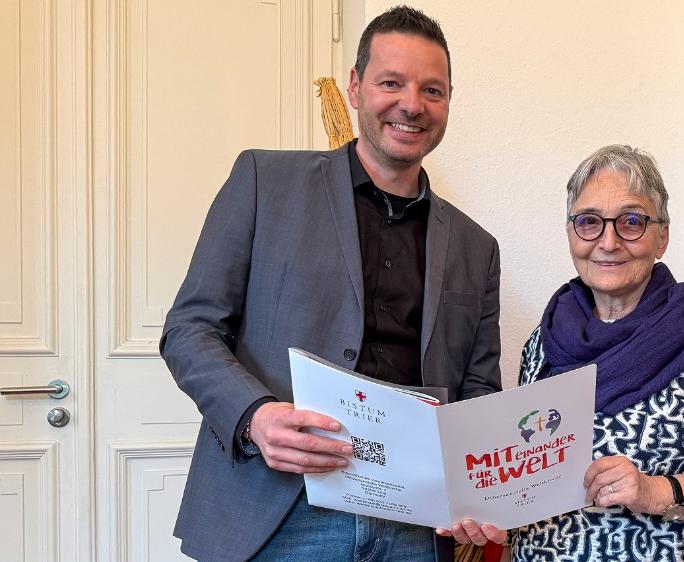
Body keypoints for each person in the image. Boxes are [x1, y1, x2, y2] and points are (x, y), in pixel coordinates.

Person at [159, 6, 500, 561]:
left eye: (432, 90)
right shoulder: (262, 181)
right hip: (278, 513)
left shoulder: (477, 247)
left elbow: (479, 391)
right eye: (391, 82)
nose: (412, 104)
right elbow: (189, 328)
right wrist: (255, 417)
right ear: (355, 88)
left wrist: (479, 486)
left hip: (414, 525)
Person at [440, 145, 684, 560]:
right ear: (570, 233)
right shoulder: (544, 342)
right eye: (589, 222)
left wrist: (658, 491)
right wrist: (485, 509)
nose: (608, 241)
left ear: (663, 235)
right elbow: (522, 475)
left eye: (632, 222)